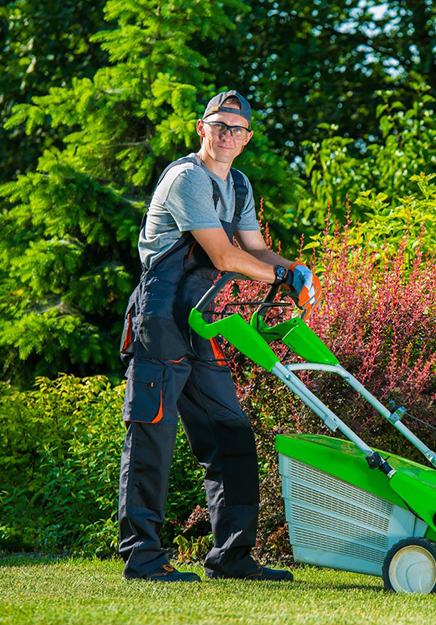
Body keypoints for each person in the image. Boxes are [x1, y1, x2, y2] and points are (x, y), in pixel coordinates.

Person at [117, 90, 316, 582]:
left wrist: (296, 270)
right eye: (219, 125)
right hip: (159, 320)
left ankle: (232, 555)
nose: (227, 134)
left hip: (200, 320)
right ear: (201, 129)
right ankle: (143, 559)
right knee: (152, 435)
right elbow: (226, 258)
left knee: (230, 432)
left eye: (237, 129)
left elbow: (255, 249)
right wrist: (278, 280)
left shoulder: (240, 186)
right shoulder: (187, 178)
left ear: (247, 139)